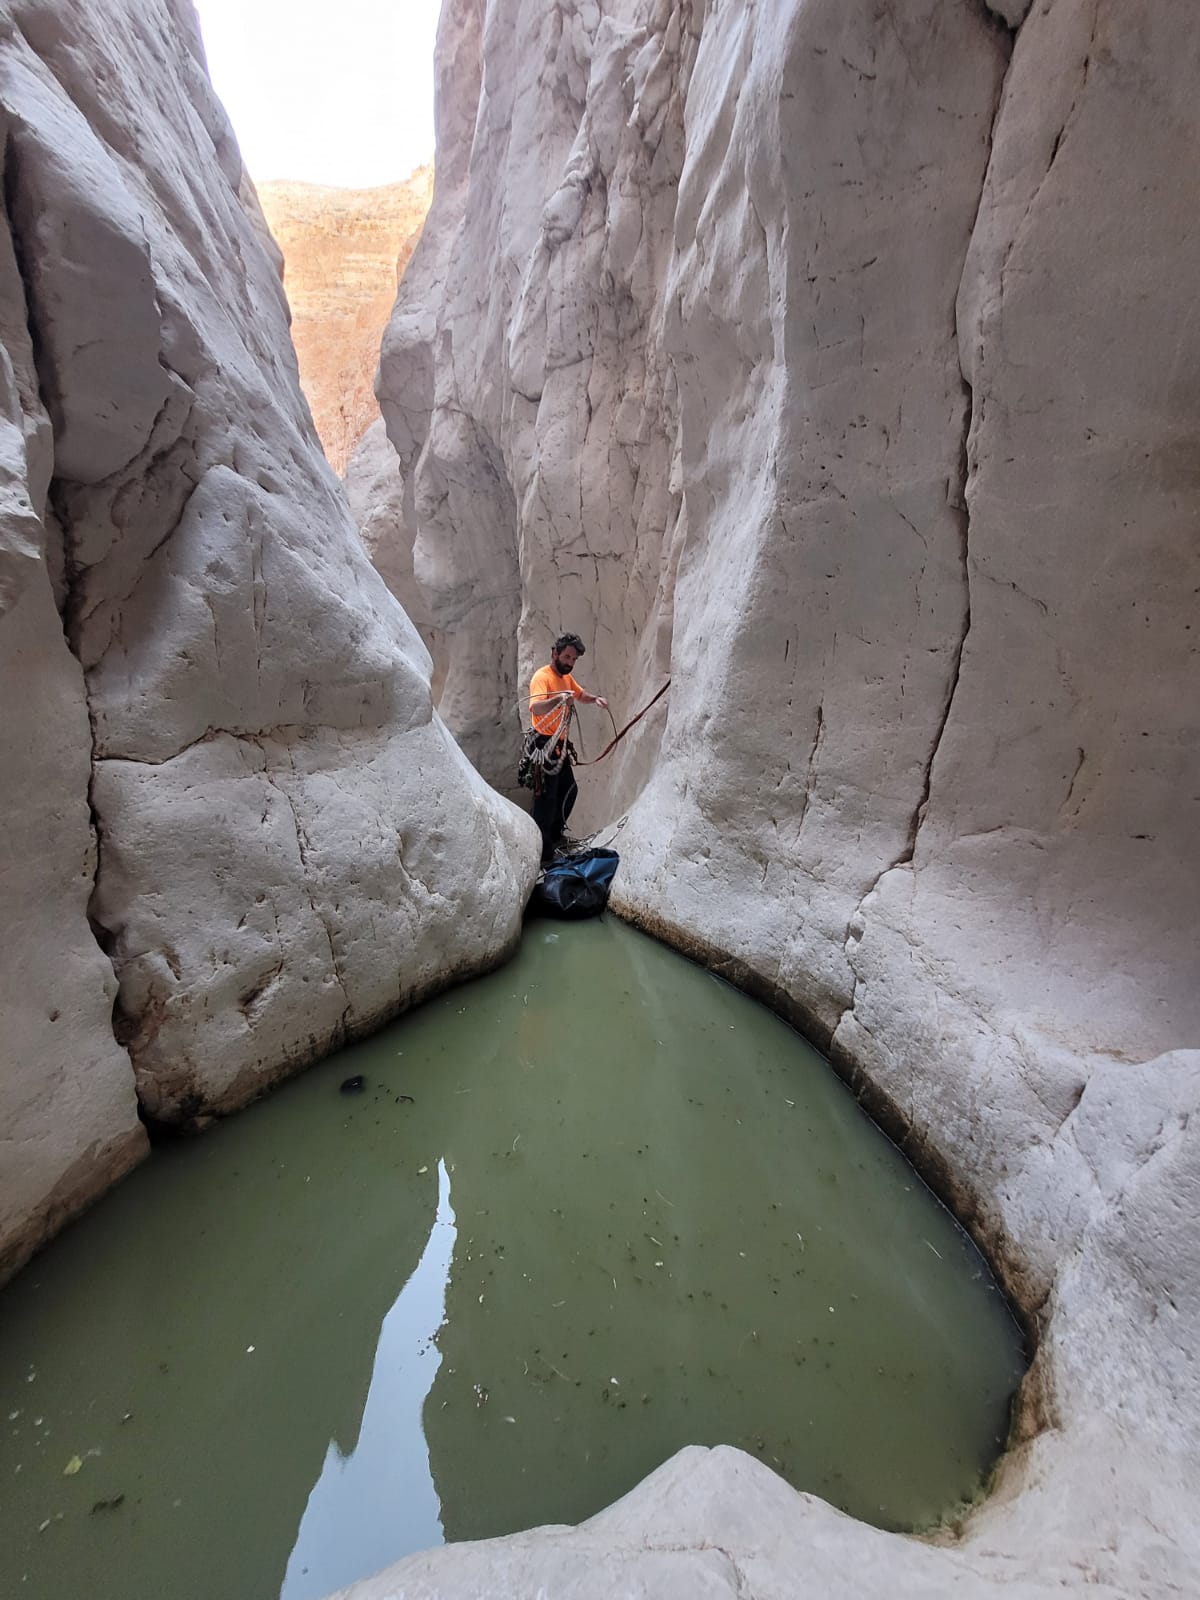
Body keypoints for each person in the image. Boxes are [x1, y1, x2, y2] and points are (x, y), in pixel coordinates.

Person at [528, 632, 608, 863]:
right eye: (567, 657)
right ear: (555, 653)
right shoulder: (542, 677)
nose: (570, 662)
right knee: (546, 799)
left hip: (559, 745)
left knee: (569, 790)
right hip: (544, 743)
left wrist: (595, 699)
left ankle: (553, 837)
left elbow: (579, 694)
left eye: (573, 659)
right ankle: (543, 853)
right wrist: (559, 699)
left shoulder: (566, 678)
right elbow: (536, 708)